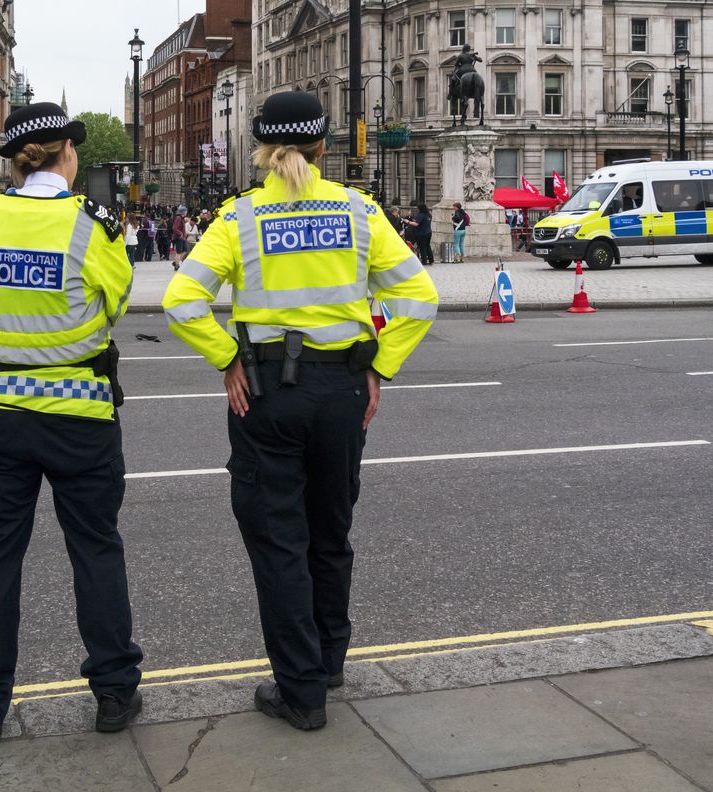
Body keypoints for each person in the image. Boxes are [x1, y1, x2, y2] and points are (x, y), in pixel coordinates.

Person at [162, 91, 437, 731]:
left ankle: (301, 690)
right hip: (342, 390)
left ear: (261, 149)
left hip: (266, 392)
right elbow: (420, 299)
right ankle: (329, 660)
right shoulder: (360, 211)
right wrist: (378, 365)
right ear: (322, 147)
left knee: (280, 541)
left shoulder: (238, 218)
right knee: (330, 531)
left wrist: (226, 356)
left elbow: (181, 301)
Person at [0, 101, 142, 741]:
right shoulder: (91, 224)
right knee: (95, 550)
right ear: (66, 152)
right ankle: (114, 693)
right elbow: (116, 301)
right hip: (78, 415)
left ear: (14, 157)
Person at [170, 206, 186, 270]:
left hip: (182, 237)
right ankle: (177, 265)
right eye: (186, 211)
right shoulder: (178, 218)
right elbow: (174, 228)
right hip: (179, 237)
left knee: (184, 250)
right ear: (183, 212)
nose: (186, 212)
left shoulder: (181, 218)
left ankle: (176, 262)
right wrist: (181, 233)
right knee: (179, 252)